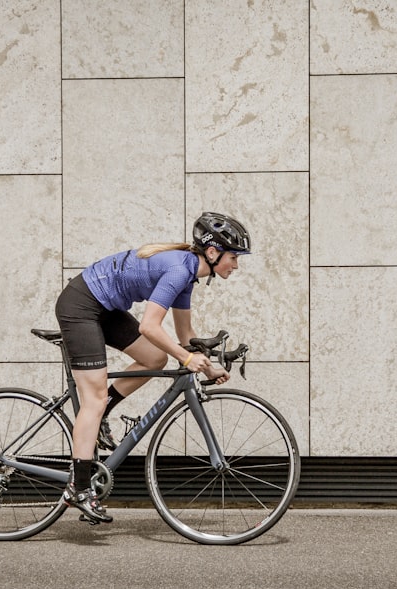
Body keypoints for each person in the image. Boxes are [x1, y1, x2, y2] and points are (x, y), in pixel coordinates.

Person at [53, 211, 251, 524]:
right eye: (234, 257)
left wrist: (207, 367)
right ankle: (77, 488)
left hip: (105, 308)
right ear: (213, 253)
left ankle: (103, 411)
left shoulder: (188, 274)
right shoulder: (177, 270)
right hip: (82, 306)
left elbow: (185, 338)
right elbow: (149, 327)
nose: (236, 265)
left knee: (154, 359)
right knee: (93, 398)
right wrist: (187, 359)